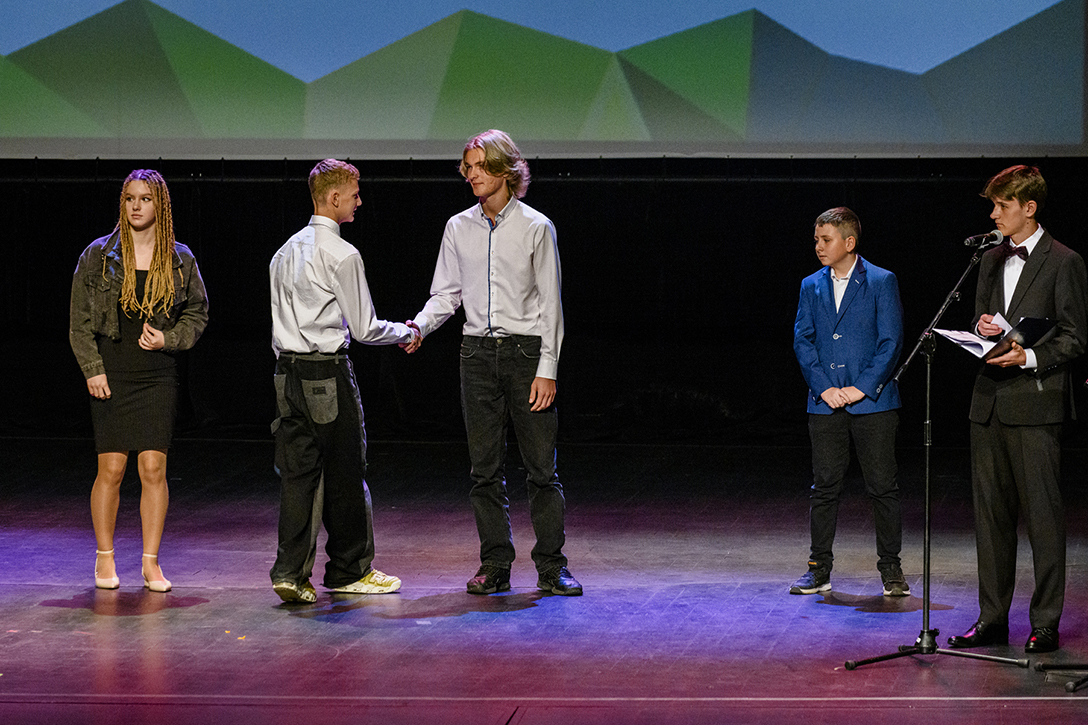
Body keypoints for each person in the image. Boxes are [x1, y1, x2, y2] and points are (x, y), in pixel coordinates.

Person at [405, 129, 580, 596]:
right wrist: (420, 326)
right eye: (468, 167)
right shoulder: (457, 227)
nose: (473, 175)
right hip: (476, 355)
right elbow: (446, 294)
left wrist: (548, 369)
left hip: (525, 354)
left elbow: (551, 305)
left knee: (541, 468)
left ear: (506, 170)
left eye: (481, 166)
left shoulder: (536, 227)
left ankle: (551, 565)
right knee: (484, 470)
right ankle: (495, 563)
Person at [947, 166, 1087, 654]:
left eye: (1001, 206)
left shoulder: (1064, 261)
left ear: (1029, 208)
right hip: (988, 403)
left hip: (1035, 403)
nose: (993, 214)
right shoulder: (989, 259)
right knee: (991, 521)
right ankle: (992, 619)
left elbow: (1074, 336)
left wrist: (1028, 356)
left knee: (1043, 520)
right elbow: (984, 320)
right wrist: (982, 327)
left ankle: (1045, 622)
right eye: (992, 205)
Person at [268, 158, 419, 604]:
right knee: (346, 472)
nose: (359, 201)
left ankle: (290, 573)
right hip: (325, 373)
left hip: (286, 373)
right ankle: (350, 569)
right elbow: (366, 327)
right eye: (354, 194)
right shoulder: (342, 253)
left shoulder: (284, 251)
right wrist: (407, 332)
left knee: (298, 476)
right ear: (333, 198)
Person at [69, 169, 209, 593]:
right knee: (111, 467)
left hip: (157, 373)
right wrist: (92, 369)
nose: (135, 205)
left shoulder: (179, 259)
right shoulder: (98, 255)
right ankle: (105, 556)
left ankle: (151, 562)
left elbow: (197, 312)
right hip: (112, 371)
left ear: (159, 205)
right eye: (130, 198)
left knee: (153, 466)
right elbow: (79, 322)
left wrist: (170, 338)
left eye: (145, 198)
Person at [790, 207, 908, 597]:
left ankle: (891, 568)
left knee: (882, 486)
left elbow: (891, 341)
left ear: (849, 242)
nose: (819, 246)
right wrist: (824, 388)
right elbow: (803, 340)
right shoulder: (811, 284)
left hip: (872, 402)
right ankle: (818, 568)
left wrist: (862, 388)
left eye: (826, 240)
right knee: (824, 486)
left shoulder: (880, 280)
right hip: (825, 403)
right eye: (816, 240)